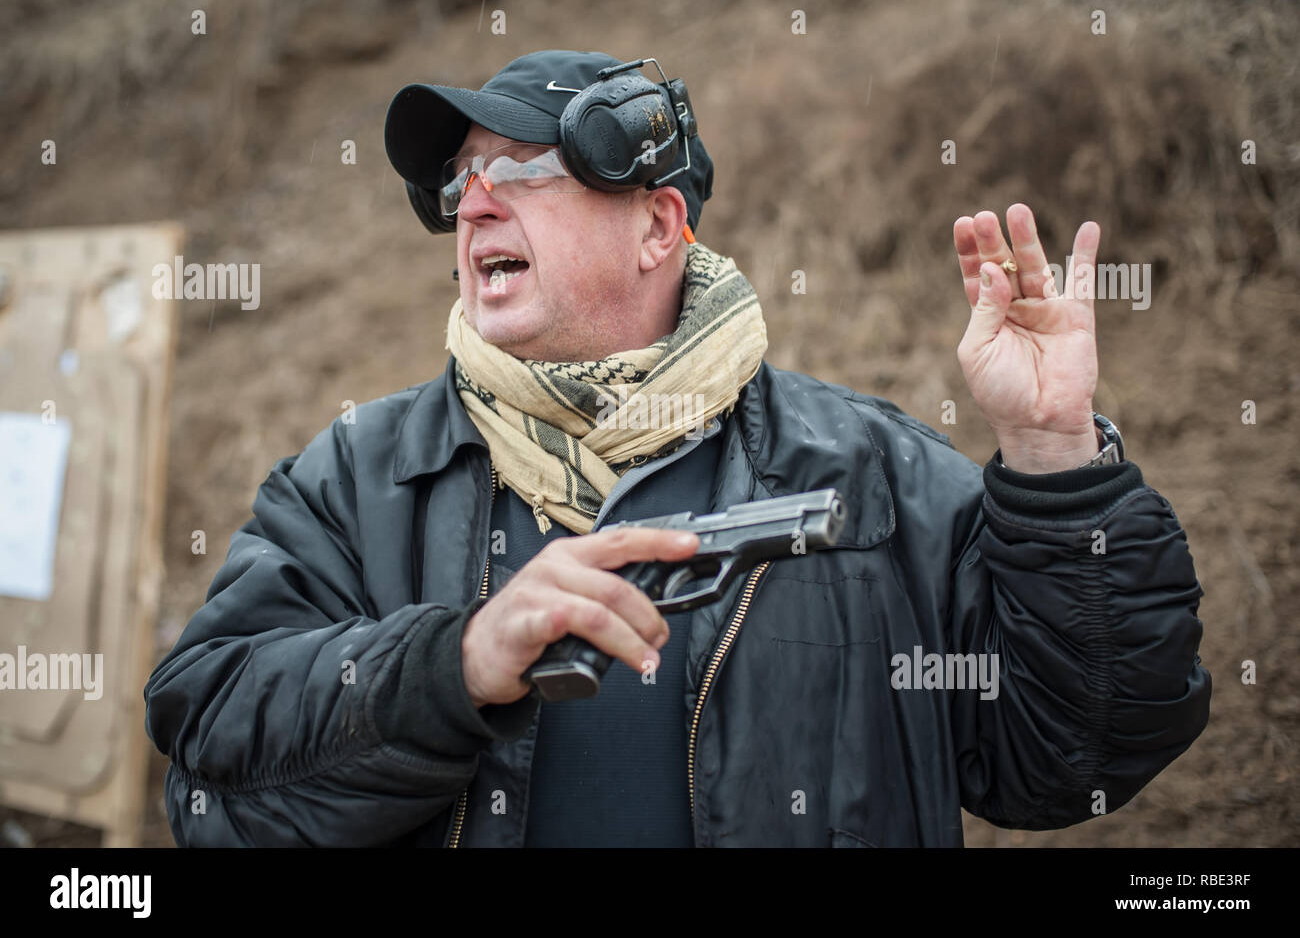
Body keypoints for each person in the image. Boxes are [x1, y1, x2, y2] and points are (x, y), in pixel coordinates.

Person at [144, 50, 1211, 847]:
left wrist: (1054, 455)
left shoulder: (868, 472)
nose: (470, 205)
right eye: (457, 181)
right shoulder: (356, 476)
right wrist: (455, 664)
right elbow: (206, 777)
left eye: (518, 168)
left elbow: (1075, 757)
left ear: (658, 226)